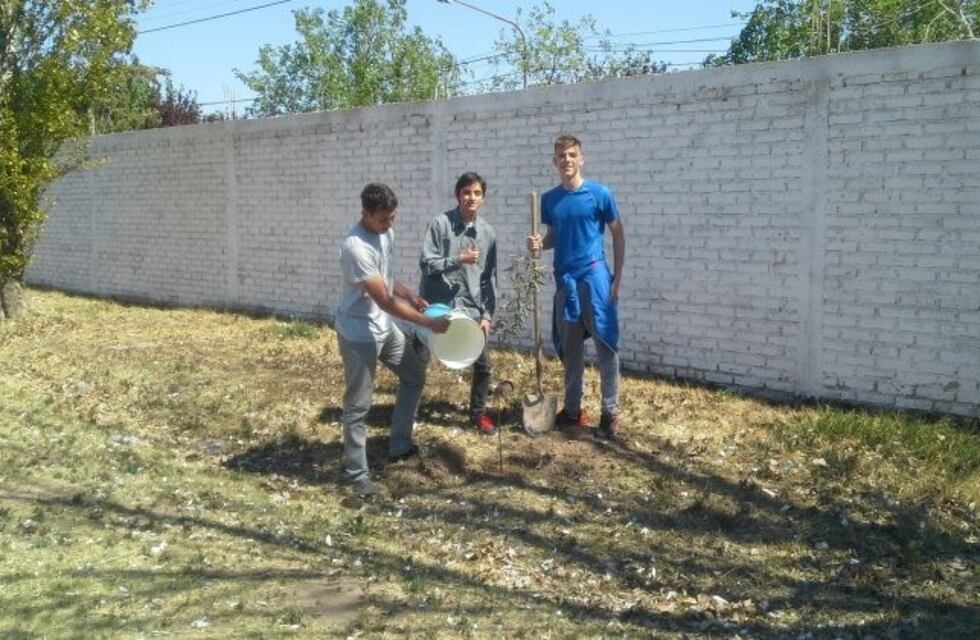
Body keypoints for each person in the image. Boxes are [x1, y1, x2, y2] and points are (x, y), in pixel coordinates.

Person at [335, 183, 450, 497]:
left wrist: (411, 294)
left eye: (392, 218)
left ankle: (400, 445)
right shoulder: (355, 247)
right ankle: (357, 476)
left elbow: (385, 278)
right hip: (358, 333)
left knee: (414, 375)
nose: (390, 224)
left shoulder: (386, 234)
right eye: (384, 219)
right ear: (366, 214)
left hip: (382, 327)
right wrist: (427, 322)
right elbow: (384, 299)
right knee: (358, 405)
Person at [527, 135, 626, 441]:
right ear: (554, 161)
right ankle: (573, 410)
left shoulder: (600, 194)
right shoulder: (550, 199)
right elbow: (555, 235)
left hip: (595, 278)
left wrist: (617, 278)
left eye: (572, 155)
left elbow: (618, 234)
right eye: (561, 156)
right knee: (570, 351)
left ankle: (610, 413)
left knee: (606, 346)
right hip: (565, 281)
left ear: (581, 159)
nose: (566, 160)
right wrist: (540, 243)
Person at [419, 172, 499, 435]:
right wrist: (457, 259)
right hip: (437, 307)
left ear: (483, 198)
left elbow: (489, 279)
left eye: (476, 193)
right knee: (418, 360)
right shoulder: (440, 224)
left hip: (470, 308)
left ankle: (477, 416)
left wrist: (486, 316)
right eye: (466, 192)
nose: (471, 198)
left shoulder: (487, 234)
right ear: (458, 195)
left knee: (484, 366)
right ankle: (409, 411)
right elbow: (426, 264)